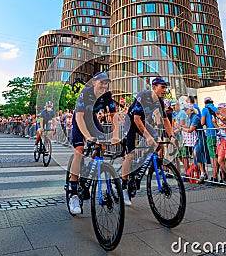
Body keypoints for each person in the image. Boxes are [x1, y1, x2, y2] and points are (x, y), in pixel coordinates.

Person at [68, 72, 118, 214]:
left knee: (101, 145)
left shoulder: (107, 95)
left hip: (93, 120)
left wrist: (115, 135)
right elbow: (79, 117)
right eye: (101, 82)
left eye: (106, 83)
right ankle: (73, 194)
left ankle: (89, 168)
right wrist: (87, 136)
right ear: (94, 82)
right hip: (80, 120)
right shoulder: (85, 92)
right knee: (79, 150)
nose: (104, 86)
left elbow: (113, 116)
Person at [122, 77, 175, 205]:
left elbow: (165, 120)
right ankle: (123, 186)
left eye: (165, 87)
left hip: (143, 122)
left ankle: (144, 162)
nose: (165, 90)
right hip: (131, 122)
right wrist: (148, 136)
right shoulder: (143, 96)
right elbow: (136, 119)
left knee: (158, 144)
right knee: (130, 155)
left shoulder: (160, 102)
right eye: (162, 87)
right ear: (154, 87)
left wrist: (172, 137)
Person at [201, 97, 219, 181]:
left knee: (213, 155)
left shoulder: (204, 109)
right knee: (219, 154)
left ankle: (215, 175)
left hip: (210, 133)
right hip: (219, 133)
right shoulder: (216, 108)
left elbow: (202, 122)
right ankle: (222, 176)